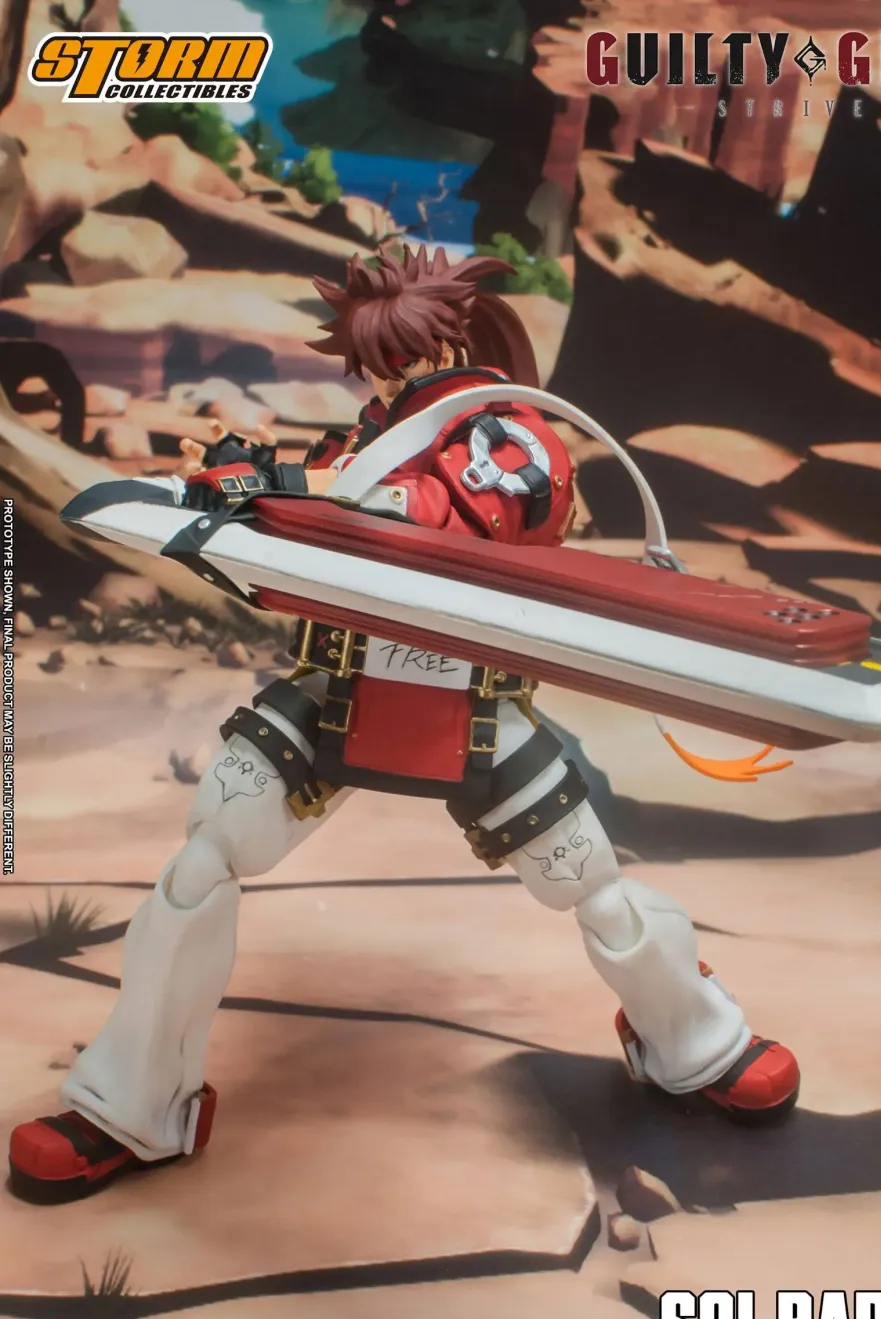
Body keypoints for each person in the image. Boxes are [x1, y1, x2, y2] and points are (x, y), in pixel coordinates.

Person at [8, 244, 799, 1203]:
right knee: (202, 863)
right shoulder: (366, 440)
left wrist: (313, 491)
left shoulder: (514, 437)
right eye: (377, 361)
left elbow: (466, 513)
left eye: (403, 355)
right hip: (341, 692)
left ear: (451, 340)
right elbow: (319, 509)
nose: (391, 376)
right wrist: (241, 482)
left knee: (591, 885)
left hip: (470, 707)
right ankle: (135, 1106)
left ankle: (694, 1040)